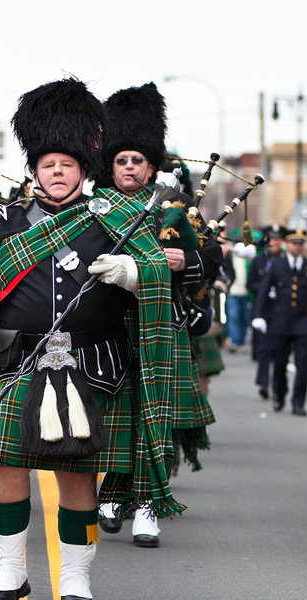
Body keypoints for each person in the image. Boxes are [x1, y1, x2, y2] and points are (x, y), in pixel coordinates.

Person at [0, 77, 180, 600]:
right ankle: (10, 571)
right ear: (35, 170)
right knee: (5, 467)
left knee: (76, 474)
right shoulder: (9, 224)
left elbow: (162, 274)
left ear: (84, 169)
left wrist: (133, 271)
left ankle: (75, 577)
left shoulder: (116, 220)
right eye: (48, 164)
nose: (58, 172)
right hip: (14, 362)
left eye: (67, 163)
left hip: (91, 363)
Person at [94, 82, 216, 548]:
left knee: (153, 415)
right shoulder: (94, 208)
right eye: (121, 160)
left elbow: (211, 257)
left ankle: (146, 506)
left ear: (151, 166)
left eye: (137, 161)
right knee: (114, 417)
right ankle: (111, 490)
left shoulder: (175, 208)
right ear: (112, 165)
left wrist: (187, 261)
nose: (129, 167)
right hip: (107, 324)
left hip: (161, 324)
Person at [252, 226, 307, 415]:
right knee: (280, 363)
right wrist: (258, 316)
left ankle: (298, 402)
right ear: (286, 244)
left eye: (300, 243)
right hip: (280, 321)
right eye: (293, 243)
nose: (297, 247)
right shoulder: (276, 265)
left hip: (303, 321)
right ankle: (279, 394)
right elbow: (263, 292)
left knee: (303, 365)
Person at [247, 225, 284, 399]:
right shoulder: (259, 260)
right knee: (262, 348)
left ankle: (278, 386)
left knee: (279, 350)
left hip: (279, 310)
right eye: (272, 240)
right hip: (262, 309)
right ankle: (263, 382)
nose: (274, 243)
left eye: (277, 240)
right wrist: (264, 289)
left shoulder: (284, 260)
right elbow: (250, 283)